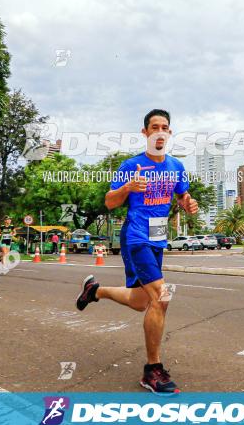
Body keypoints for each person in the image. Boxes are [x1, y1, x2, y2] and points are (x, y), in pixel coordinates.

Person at [75, 109, 198, 394]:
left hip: (157, 239)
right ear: (145, 133)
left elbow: (182, 195)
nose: (160, 131)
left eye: (165, 127)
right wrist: (128, 187)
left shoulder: (176, 166)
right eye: (154, 127)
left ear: (169, 133)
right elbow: (109, 202)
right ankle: (152, 371)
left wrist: (188, 204)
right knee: (161, 297)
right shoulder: (131, 165)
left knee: (143, 302)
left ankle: (95, 291)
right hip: (136, 237)